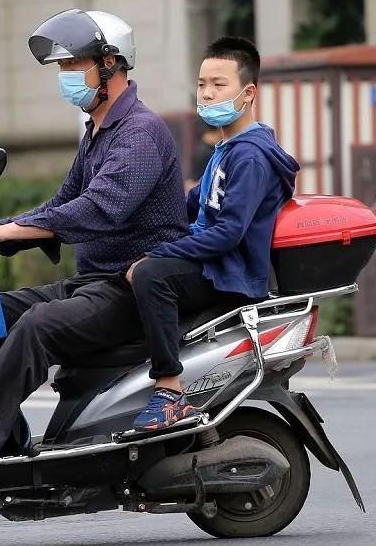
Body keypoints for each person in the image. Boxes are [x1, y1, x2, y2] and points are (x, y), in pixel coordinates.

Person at [0, 9, 187, 467]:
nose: (66, 78)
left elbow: (95, 210)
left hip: (132, 290)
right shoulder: (98, 131)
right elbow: (60, 204)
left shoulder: (141, 133)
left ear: (110, 64)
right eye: (62, 69)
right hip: (93, 282)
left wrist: (6, 230)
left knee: (38, 325)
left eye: (74, 66)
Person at [126, 37, 299, 432]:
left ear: (247, 92)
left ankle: (169, 392)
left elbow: (227, 233)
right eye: (202, 84)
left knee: (153, 275)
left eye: (219, 85)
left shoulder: (251, 155)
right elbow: (191, 207)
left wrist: (158, 254)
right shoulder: (226, 147)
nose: (206, 93)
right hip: (213, 264)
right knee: (139, 262)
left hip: (231, 274)